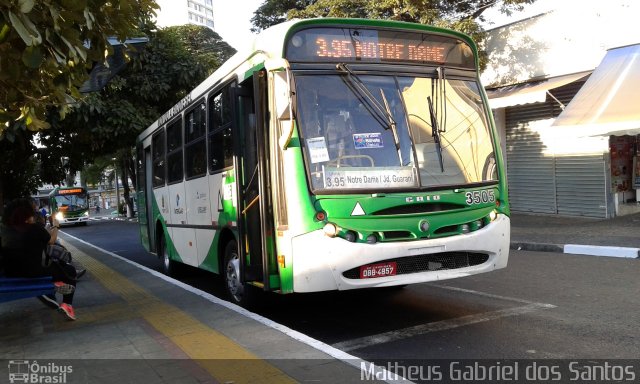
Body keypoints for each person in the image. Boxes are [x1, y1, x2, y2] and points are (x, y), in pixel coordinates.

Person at [0, 198, 79, 320]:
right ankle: (67, 305)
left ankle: (53, 288)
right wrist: (56, 227)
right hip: (34, 273)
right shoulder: (35, 228)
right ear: (26, 215)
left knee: (50, 267)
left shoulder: (5, 231)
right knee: (69, 270)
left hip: (11, 273)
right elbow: (51, 241)